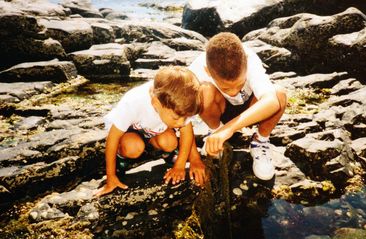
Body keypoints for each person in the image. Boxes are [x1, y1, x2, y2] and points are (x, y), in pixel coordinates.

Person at [95, 66, 207, 197]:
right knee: (133, 148)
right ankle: (121, 158)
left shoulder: (176, 103)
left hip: (153, 130)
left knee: (170, 142)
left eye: (185, 118)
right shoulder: (134, 103)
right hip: (129, 133)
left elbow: (187, 131)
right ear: (156, 103)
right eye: (177, 118)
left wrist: (183, 164)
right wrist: (111, 176)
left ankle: (163, 151)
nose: (182, 122)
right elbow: (112, 138)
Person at [189, 32, 287, 181]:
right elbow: (182, 116)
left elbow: (271, 101)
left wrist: (229, 129)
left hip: (251, 109)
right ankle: (215, 134)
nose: (234, 92)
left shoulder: (249, 59)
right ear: (207, 71)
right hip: (220, 110)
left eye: (239, 84)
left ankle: (260, 141)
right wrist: (194, 158)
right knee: (203, 92)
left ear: (246, 63)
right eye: (227, 88)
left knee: (279, 93)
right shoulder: (196, 69)